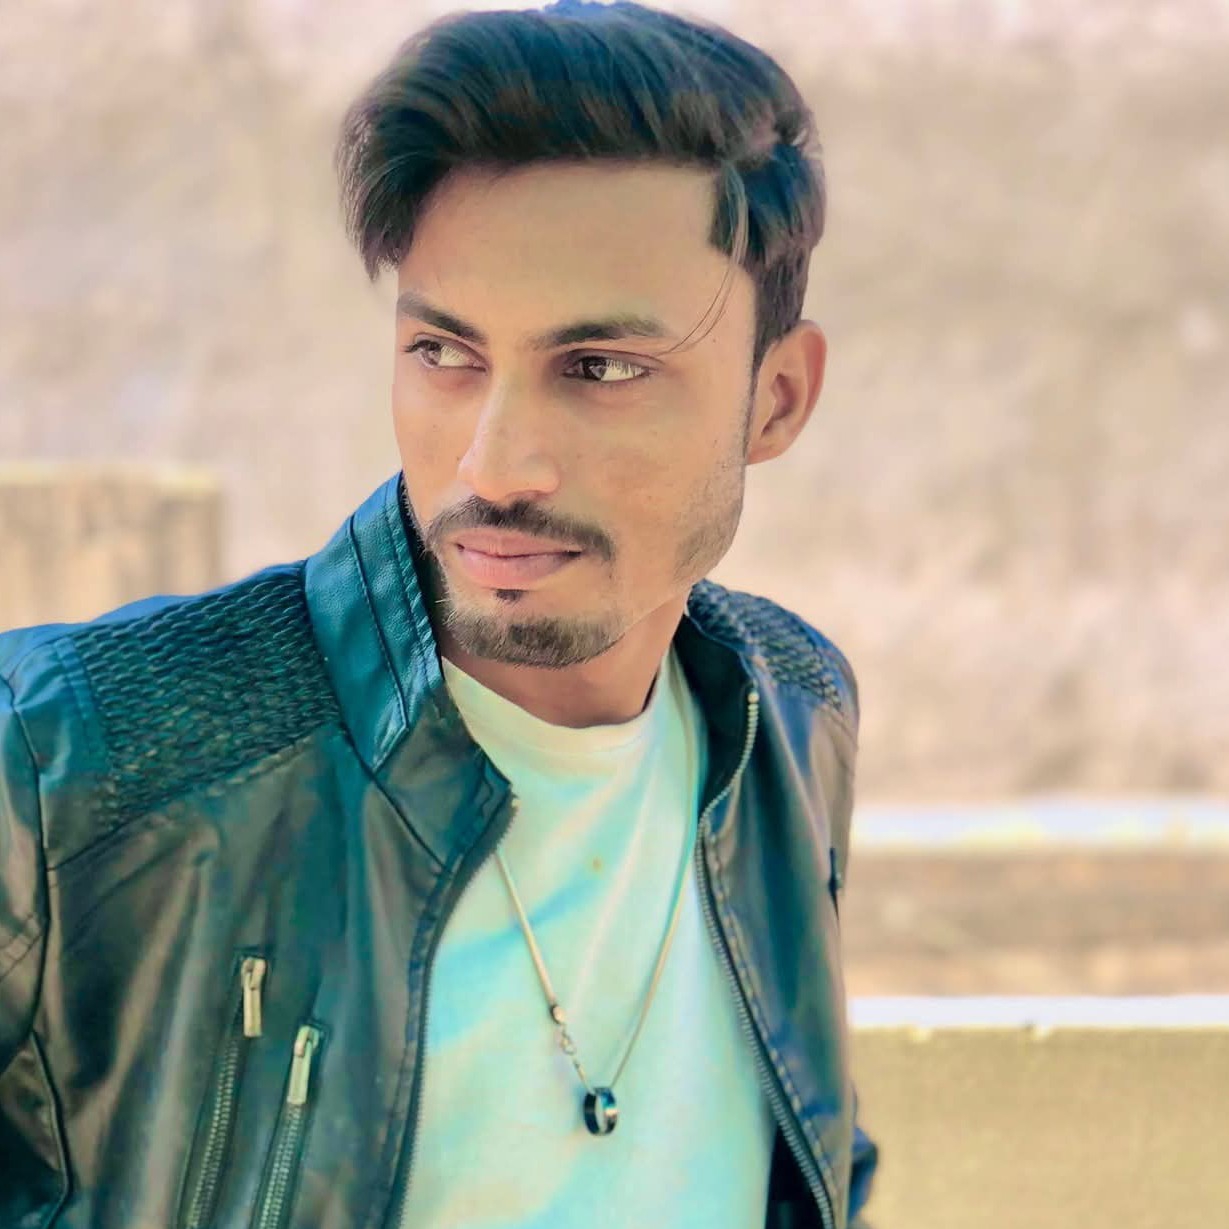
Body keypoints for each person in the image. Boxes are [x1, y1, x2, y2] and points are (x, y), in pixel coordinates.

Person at [0, 2, 880, 1225]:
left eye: (600, 368)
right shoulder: (62, 761)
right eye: (444, 354)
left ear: (774, 399)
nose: (495, 463)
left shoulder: (787, 716)